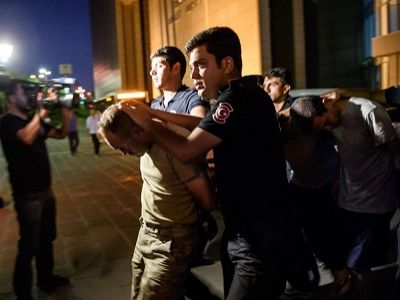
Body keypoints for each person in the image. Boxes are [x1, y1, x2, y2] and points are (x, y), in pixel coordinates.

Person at [121, 26, 319, 299]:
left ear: (227, 64)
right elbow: (201, 125)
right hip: (244, 231)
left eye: (201, 65)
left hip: (259, 237)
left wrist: (150, 124)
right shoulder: (243, 96)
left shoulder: (236, 100)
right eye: (192, 67)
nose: (193, 75)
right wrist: (156, 114)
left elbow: (189, 149)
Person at [97, 104, 215, 300]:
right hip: (146, 232)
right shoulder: (145, 146)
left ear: (137, 131)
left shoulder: (172, 146)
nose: (124, 154)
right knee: (137, 295)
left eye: (123, 147)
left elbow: (207, 201)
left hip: (171, 241)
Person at [290, 92, 400, 298]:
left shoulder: (368, 111)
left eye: (325, 124)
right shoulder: (325, 115)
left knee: (358, 264)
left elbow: (396, 150)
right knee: (351, 264)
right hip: (346, 201)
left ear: (326, 103)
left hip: (374, 204)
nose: (327, 130)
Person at [0, 79, 72, 300]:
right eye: (25, 92)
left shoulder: (34, 120)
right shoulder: (8, 122)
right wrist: (40, 114)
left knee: (47, 239)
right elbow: (26, 137)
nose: (30, 96)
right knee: (29, 245)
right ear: (12, 98)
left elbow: (60, 135)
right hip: (27, 194)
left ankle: (46, 279)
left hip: (45, 189)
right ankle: (23, 293)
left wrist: (67, 113)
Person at [149, 45, 217, 265]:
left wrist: (154, 116)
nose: (152, 73)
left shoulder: (190, 98)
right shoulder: (156, 103)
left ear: (175, 68)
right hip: (166, 188)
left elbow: (200, 122)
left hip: (190, 184)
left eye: (158, 66)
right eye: (151, 68)